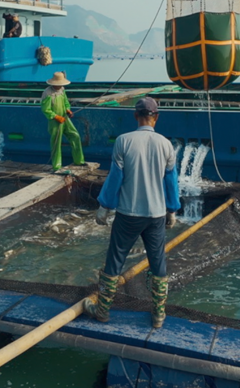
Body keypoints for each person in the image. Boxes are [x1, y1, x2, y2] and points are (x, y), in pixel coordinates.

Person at [83, 97, 181, 329]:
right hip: (156, 214)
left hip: (128, 214)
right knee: (158, 262)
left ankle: (103, 311)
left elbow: (115, 178)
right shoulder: (166, 145)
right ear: (156, 117)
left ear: (135, 116)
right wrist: (172, 209)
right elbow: (171, 182)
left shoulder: (123, 141)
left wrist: (104, 207)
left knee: (115, 260)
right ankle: (158, 315)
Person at [41, 72, 85, 171]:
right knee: (56, 142)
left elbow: (66, 102)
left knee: (75, 135)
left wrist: (68, 109)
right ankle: (56, 166)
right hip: (54, 121)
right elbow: (45, 109)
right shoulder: (47, 93)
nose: (60, 86)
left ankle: (79, 161)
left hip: (65, 118)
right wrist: (56, 117)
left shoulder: (62, 90)